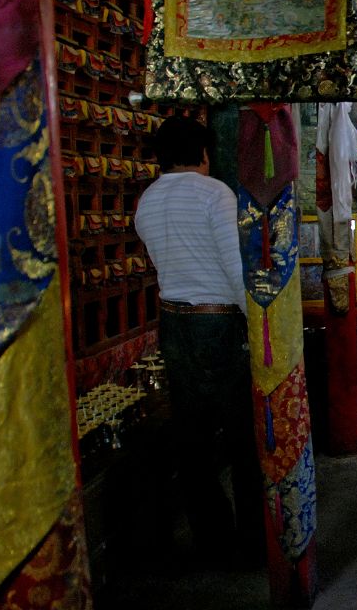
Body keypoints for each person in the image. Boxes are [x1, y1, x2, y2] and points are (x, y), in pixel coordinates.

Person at [134, 116, 263, 568]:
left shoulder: (146, 201)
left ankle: (213, 540)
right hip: (220, 324)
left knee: (193, 441)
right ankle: (254, 543)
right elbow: (235, 266)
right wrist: (259, 325)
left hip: (175, 325)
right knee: (245, 440)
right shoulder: (216, 194)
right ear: (205, 154)